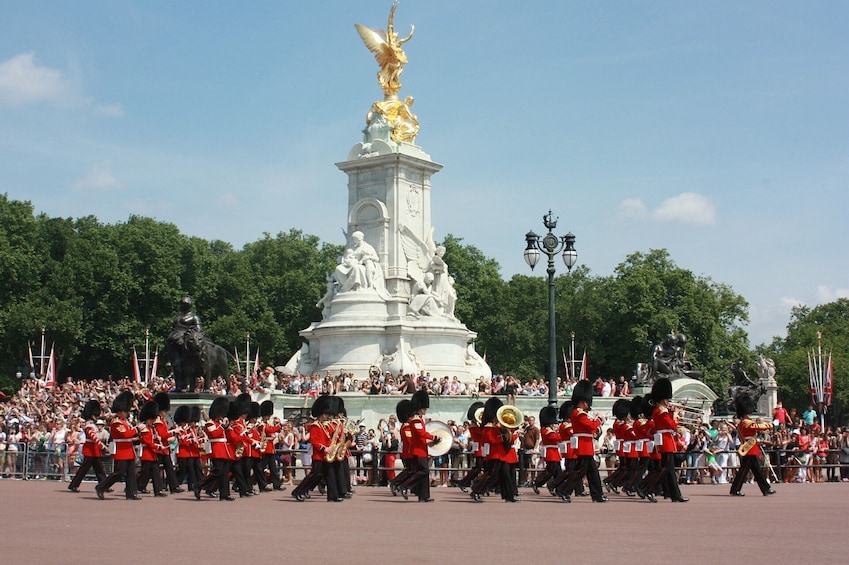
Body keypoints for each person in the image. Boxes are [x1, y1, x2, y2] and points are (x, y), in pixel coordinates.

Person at [554, 380, 607, 503]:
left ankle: (597, 495)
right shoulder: (578, 413)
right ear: (583, 401)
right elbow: (590, 426)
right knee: (579, 472)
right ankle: (563, 490)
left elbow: (590, 428)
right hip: (583, 446)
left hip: (586, 445)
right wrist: (600, 419)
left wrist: (597, 421)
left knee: (592, 472)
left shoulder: (580, 413)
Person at [643, 378, 688, 502]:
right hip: (666, 442)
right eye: (667, 400)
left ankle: (675, 495)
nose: (668, 402)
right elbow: (672, 426)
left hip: (665, 440)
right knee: (665, 470)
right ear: (663, 399)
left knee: (669, 471)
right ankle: (648, 489)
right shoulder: (662, 412)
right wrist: (674, 416)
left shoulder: (660, 411)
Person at [96, 391, 141, 500]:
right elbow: (126, 434)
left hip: (128, 450)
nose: (127, 414)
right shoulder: (116, 422)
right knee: (119, 473)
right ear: (120, 412)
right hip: (121, 451)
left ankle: (131, 493)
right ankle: (101, 487)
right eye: (126, 412)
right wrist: (137, 428)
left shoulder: (124, 422)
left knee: (131, 473)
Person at [729, 395, 776, 497]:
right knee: (744, 470)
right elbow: (760, 427)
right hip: (750, 449)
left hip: (748, 447)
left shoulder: (742, 423)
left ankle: (766, 489)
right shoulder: (747, 423)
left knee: (757, 471)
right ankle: (735, 489)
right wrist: (771, 424)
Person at [398, 390, 438, 502]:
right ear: (420, 408)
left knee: (424, 474)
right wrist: (433, 437)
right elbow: (421, 434)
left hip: (422, 449)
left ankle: (424, 496)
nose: (425, 410)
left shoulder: (419, 419)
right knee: (424, 471)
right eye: (424, 408)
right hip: (418, 451)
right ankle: (405, 485)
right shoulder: (415, 420)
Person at [196, 396, 234, 501]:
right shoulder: (210, 423)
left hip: (224, 450)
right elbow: (213, 434)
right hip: (217, 449)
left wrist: (225, 427)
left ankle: (225, 494)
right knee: (218, 471)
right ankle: (200, 485)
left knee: (225, 473)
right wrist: (222, 426)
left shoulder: (218, 424)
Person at [68, 400, 108, 492]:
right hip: (90, 449)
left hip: (94, 449)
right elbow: (93, 437)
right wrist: (102, 447)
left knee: (99, 469)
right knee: (84, 469)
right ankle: (74, 485)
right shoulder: (89, 424)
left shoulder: (92, 424)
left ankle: (104, 484)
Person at [136, 400, 168, 497]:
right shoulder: (145, 430)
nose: (152, 421)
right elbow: (148, 443)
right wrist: (158, 446)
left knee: (155, 472)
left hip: (152, 454)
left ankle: (158, 490)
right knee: (144, 473)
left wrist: (158, 440)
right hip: (147, 454)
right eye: (151, 420)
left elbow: (153, 440)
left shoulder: (151, 429)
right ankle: (136, 486)